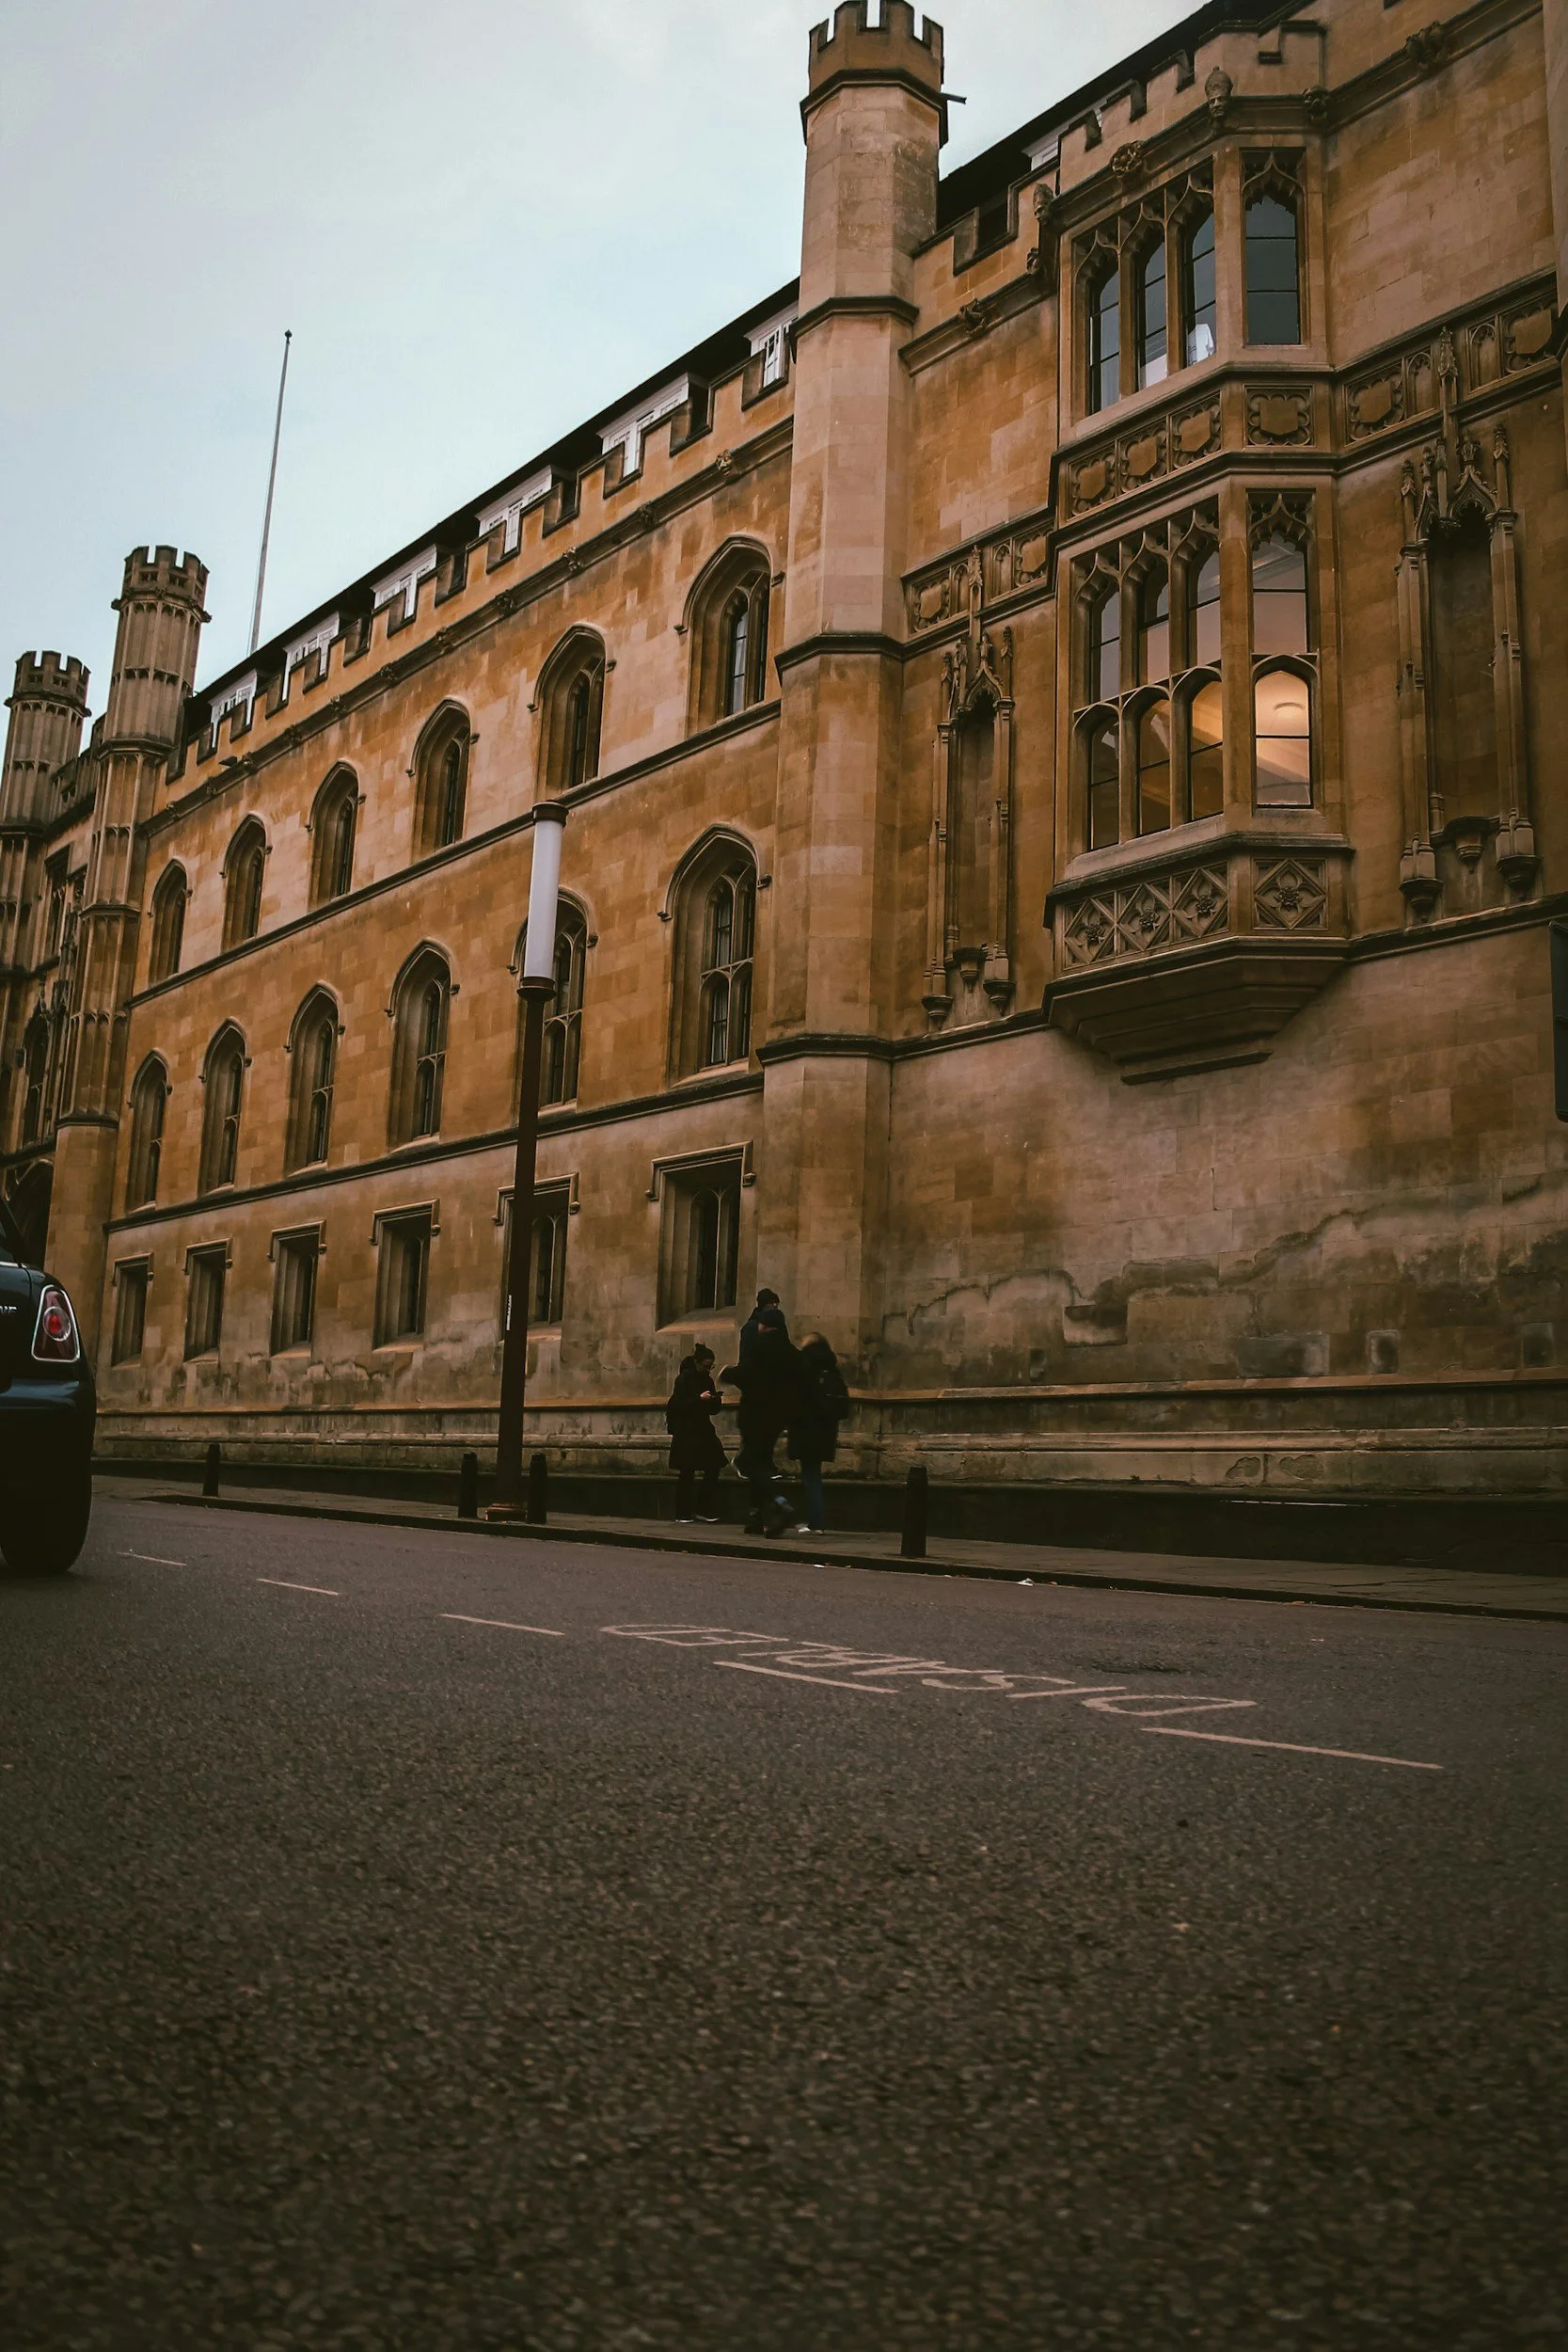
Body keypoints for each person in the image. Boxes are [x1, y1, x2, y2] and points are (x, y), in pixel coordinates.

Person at [721, 1299, 799, 1537]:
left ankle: (780, 1502)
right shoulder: (791, 1353)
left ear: (764, 1326)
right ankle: (756, 1517)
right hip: (778, 1418)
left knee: (749, 1464)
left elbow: (746, 1373)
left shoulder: (759, 1346)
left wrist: (727, 1374)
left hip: (755, 1414)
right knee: (761, 1462)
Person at [786, 1333, 849, 1534]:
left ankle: (816, 1522)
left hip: (807, 1430)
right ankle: (816, 1521)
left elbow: (797, 1401)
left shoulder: (806, 1369)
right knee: (813, 1475)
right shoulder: (831, 1370)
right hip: (825, 1431)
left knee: (810, 1477)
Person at [665, 1343, 726, 1522]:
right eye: (706, 1366)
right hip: (686, 1431)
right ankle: (682, 1512)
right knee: (687, 1471)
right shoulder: (683, 1379)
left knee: (714, 1466)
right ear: (697, 1363)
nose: (708, 1370)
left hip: (703, 1429)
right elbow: (677, 1405)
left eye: (711, 1367)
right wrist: (699, 1399)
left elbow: (713, 1409)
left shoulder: (707, 1380)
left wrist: (715, 1400)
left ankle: (704, 1508)